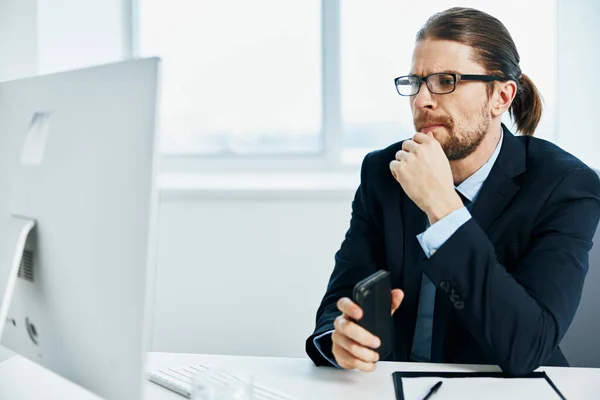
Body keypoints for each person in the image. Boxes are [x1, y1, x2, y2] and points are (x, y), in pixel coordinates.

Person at [305, 7, 600, 377]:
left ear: (501, 97)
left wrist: (443, 208)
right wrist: (340, 338)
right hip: (390, 386)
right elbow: (342, 300)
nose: (421, 101)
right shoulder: (384, 171)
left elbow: (529, 346)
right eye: (416, 82)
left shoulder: (566, 185)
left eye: (446, 80)